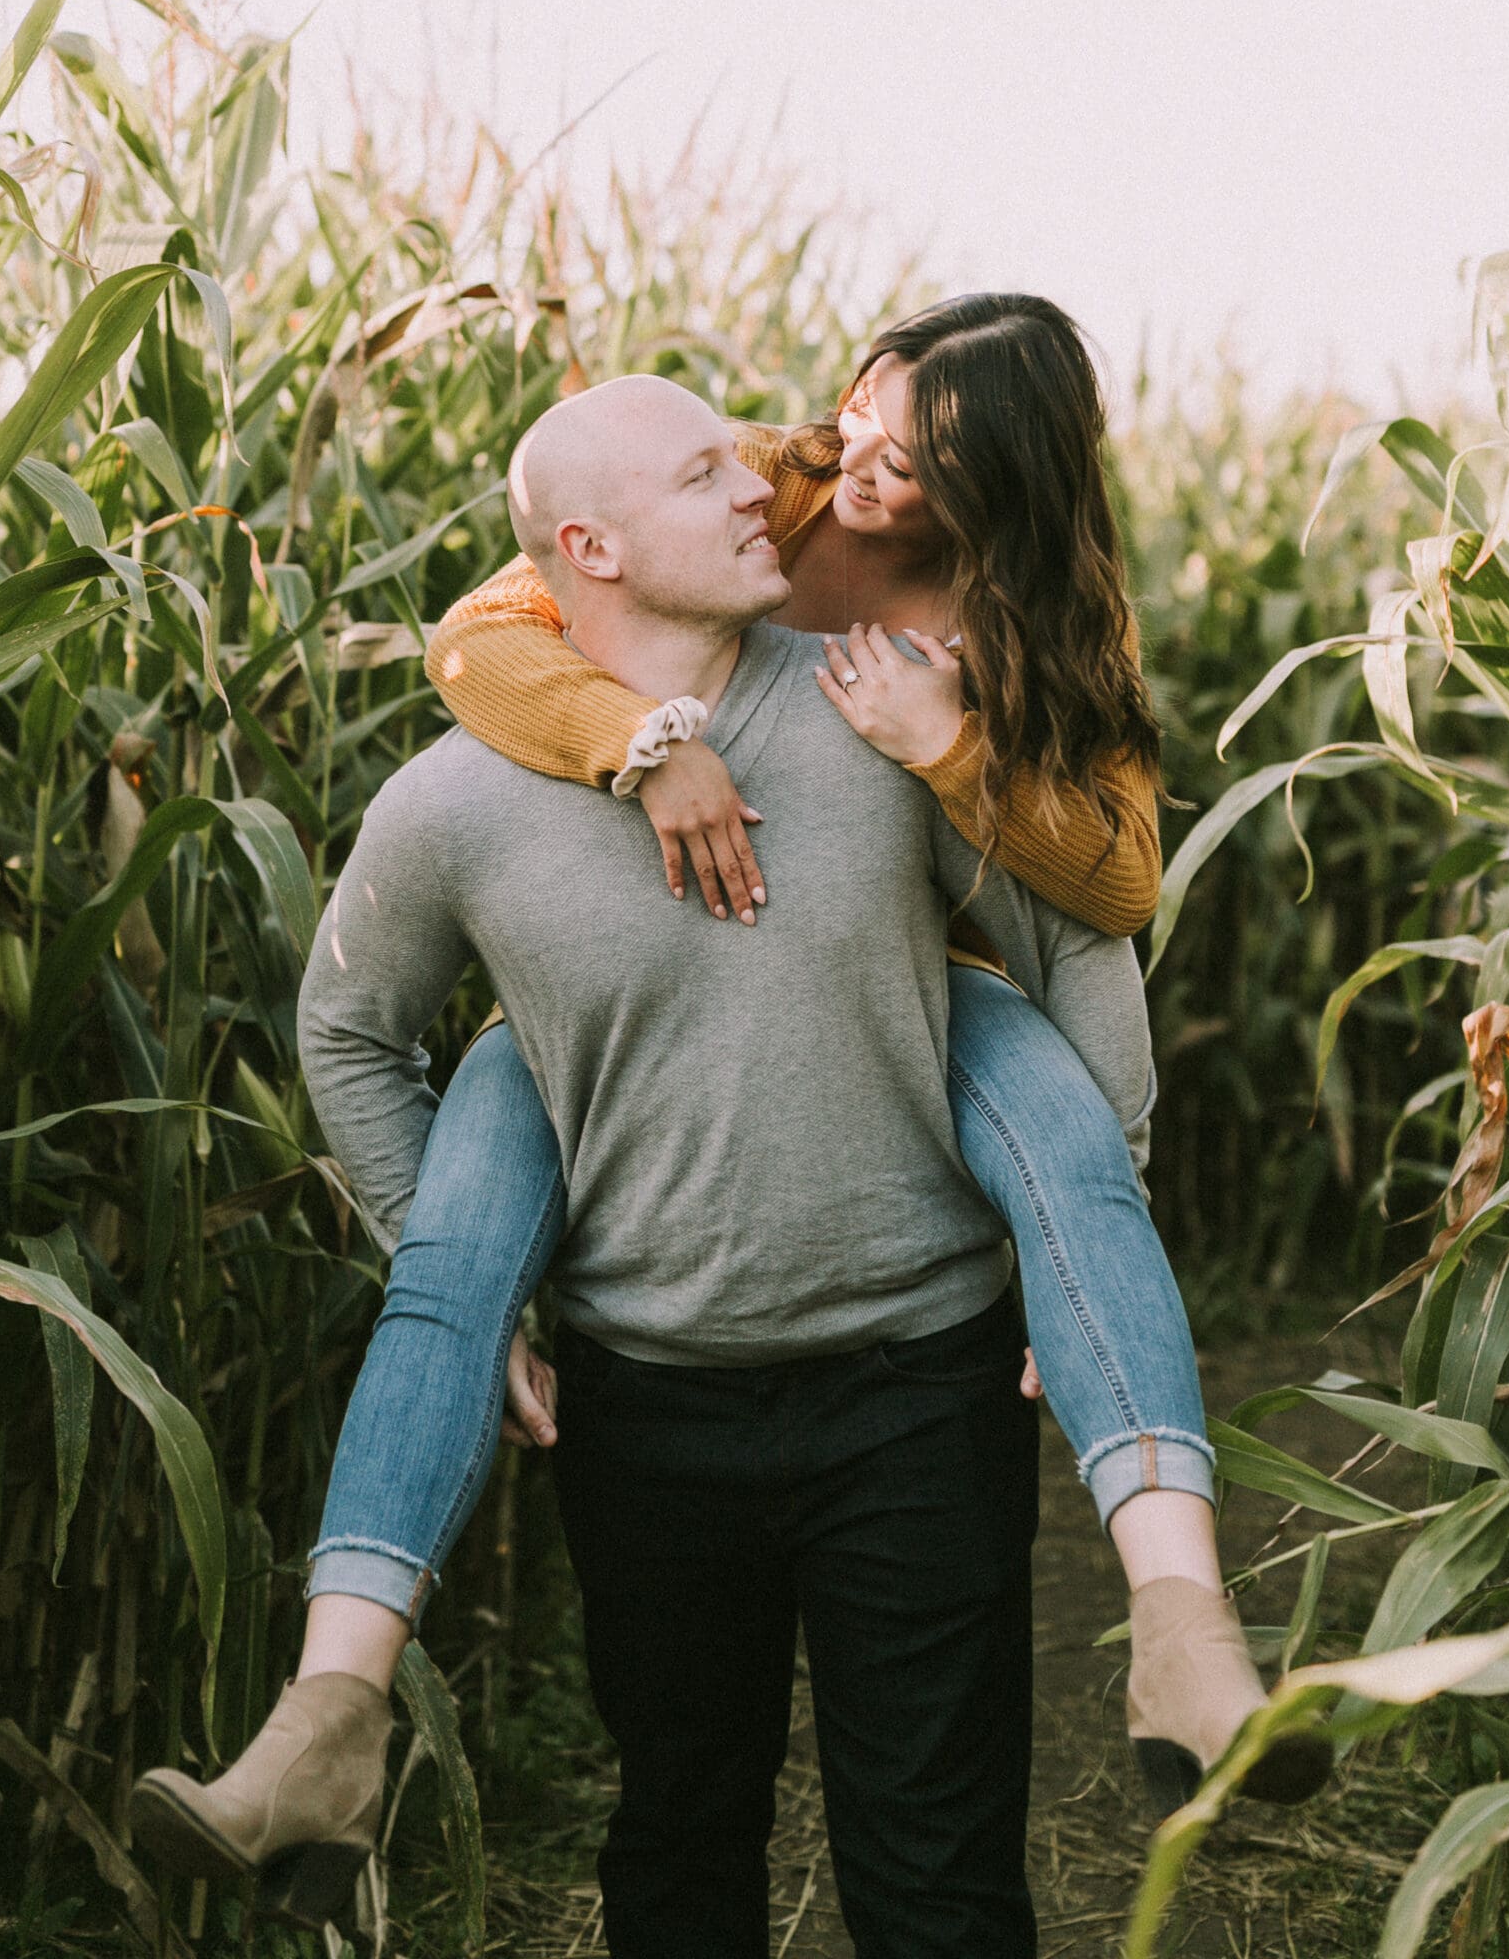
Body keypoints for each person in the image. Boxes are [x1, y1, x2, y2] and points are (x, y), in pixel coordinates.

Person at [136, 371, 1158, 1956]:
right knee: (680, 1838)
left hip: (916, 1382)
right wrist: (480, 1284)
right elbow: (346, 1033)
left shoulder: (885, 701)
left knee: (940, 1866)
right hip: (649, 1407)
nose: (760, 486)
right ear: (590, 549)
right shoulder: (455, 801)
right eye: (703, 476)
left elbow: (1081, 919)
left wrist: (1078, 1243)